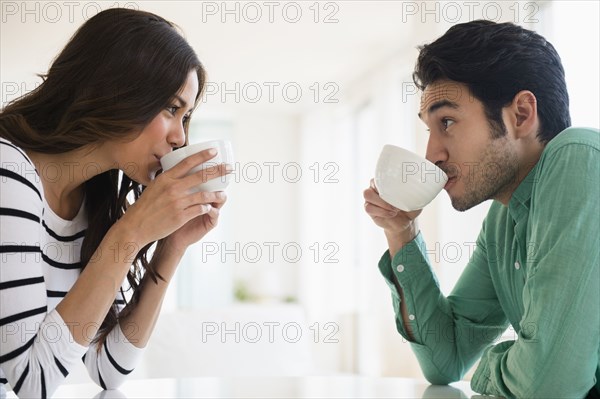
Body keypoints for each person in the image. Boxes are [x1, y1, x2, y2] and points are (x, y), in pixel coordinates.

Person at [364, 20, 599, 398]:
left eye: (448, 122)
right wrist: (401, 232)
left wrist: (487, 369)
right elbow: (447, 360)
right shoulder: (503, 220)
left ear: (521, 114)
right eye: (430, 129)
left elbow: (550, 386)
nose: (431, 155)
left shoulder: (581, 157)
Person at [0, 8, 229, 398]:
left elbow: (108, 369)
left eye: (186, 116)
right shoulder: (8, 171)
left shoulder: (94, 197)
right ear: (116, 90)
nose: (180, 138)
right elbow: (30, 380)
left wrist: (169, 246)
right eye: (171, 109)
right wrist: (132, 230)